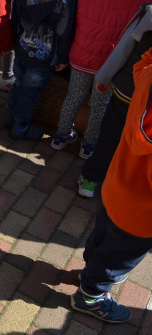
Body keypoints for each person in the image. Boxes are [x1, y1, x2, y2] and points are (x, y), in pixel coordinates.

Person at [71, 46, 152, 324]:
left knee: (103, 235)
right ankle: (90, 295)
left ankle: (90, 266)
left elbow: (144, 59)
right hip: (141, 214)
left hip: (116, 182)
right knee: (117, 257)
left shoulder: (147, 75)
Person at [51, 0, 152, 158]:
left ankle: (60, 136)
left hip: (82, 50)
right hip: (112, 59)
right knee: (99, 105)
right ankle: (88, 147)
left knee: (74, 95)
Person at [7, 0, 88, 140]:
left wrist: (16, 37)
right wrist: (61, 56)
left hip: (22, 44)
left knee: (18, 84)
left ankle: (12, 119)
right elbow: (65, 27)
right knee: (30, 92)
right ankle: (20, 127)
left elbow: (17, 8)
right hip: (45, 52)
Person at [77, 3, 152, 198]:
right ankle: (123, 190)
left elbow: (124, 48)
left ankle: (90, 180)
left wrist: (104, 77)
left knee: (110, 135)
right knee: (140, 145)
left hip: (129, 89)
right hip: (148, 105)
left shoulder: (149, 13)